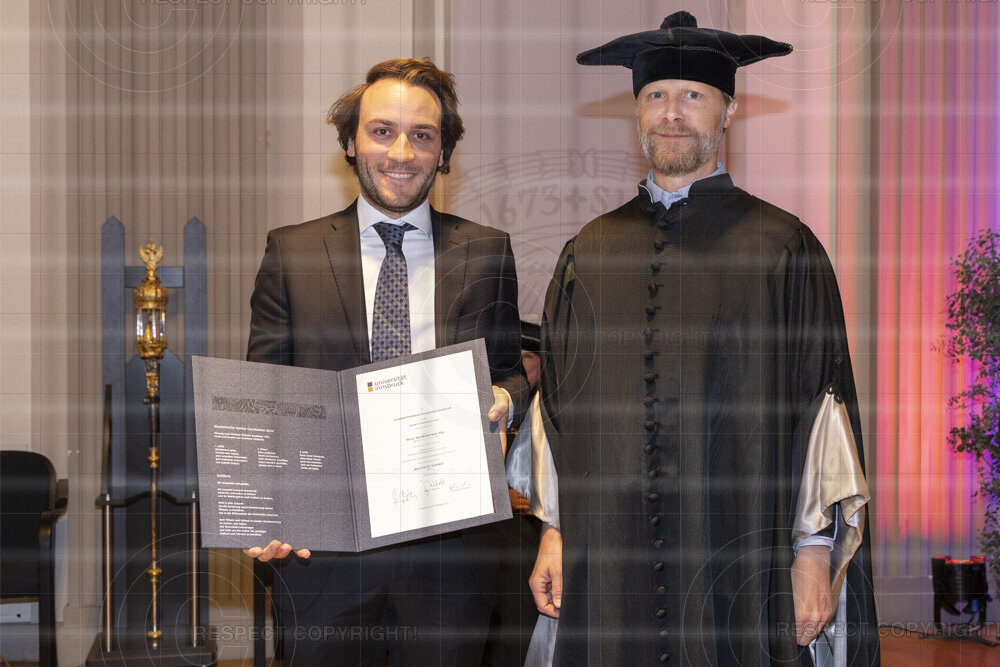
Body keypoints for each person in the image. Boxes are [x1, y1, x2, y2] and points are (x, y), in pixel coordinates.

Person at [528, 12, 879, 667]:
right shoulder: (590, 252)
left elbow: (819, 408)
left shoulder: (783, 248)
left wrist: (812, 552)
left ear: (728, 110)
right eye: (656, 95)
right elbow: (559, 411)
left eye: (692, 95)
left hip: (739, 552)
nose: (671, 112)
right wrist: (555, 531)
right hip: (612, 560)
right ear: (637, 111)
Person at [243, 57, 528, 666]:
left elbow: (509, 370)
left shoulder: (486, 252)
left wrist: (505, 399)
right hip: (323, 550)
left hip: (451, 550)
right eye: (382, 131)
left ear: (443, 152)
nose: (401, 152)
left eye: (422, 135)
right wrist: (261, 508)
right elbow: (265, 396)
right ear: (351, 142)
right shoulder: (291, 252)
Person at [484, 321, 559, 667]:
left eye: (528, 356)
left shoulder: (550, 412)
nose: (521, 363)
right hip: (499, 535)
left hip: (536, 536)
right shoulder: (493, 405)